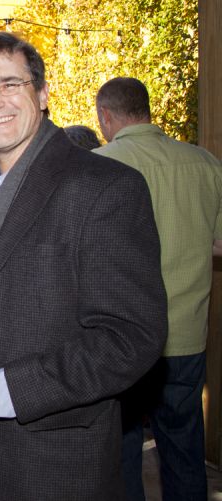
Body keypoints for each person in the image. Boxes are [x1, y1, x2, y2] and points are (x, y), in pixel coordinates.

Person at [0, 32, 167, 500]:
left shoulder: (104, 186)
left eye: (8, 84)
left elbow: (129, 338)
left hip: (53, 459)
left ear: (41, 92)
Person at [95, 76, 222, 501]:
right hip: (186, 334)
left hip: (123, 338)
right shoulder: (204, 163)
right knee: (184, 449)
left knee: (124, 450)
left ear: (106, 117)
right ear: (147, 110)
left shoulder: (100, 164)